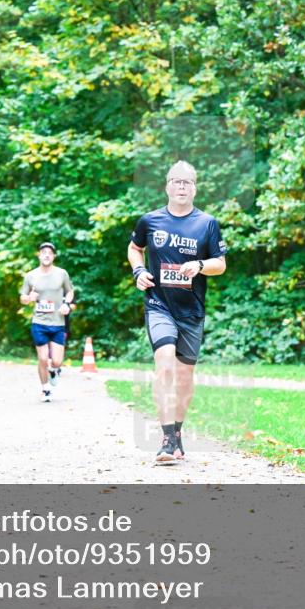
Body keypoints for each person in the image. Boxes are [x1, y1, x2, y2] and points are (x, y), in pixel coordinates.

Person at [127, 161, 227, 463]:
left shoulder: (207, 223)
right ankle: (167, 438)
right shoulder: (150, 221)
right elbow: (135, 248)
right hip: (159, 305)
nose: (182, 187)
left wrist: (198, 266)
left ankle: (178, 432)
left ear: (195, 187)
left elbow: (220, 264)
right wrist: (139, 271)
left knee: (184, 377)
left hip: (191, 310)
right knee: (165, 363)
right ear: (167, 186)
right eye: (176, 182)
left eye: (187, 182)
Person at [20, 242, 75, 402]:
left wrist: (66, 304)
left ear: (54, 256)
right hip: (39, 322)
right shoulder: (31, 276)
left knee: (57, 361)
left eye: (50, 253)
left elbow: (70, 291)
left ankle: (54, 370)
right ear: (39, 255)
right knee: (43, 358)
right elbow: (22, 298)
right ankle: (45, 389)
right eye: (43, 252)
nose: (46, 255)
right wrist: (29, 298)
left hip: (58, 323)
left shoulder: (61, 274)